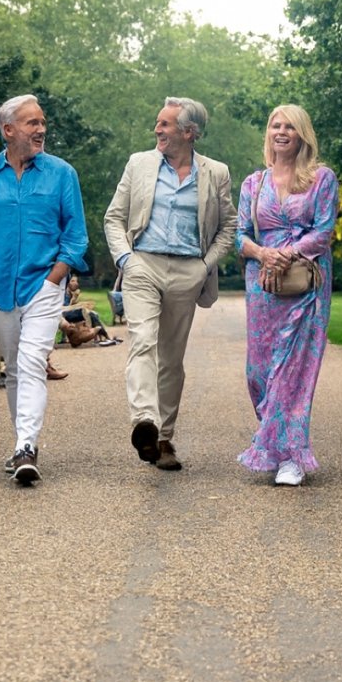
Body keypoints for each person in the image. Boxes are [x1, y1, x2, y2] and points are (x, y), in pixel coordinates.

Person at [104, 97, 237, 470]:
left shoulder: (216, 172)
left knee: (172, 359)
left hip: (187, 270)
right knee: (142, 341)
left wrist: (204, 266)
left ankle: (163, 439)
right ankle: (145, 422)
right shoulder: (139, 163)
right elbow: (114, 218)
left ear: (189, 132)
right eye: (158, 123)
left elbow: (229, 224)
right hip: (142, 265)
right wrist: (126, 260)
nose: (157, 130)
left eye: (165, 124)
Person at [0, 94, 89, 486]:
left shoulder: (62, 174)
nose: (41, 129)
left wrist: (56, 277)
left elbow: (76, 235)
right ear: (8, 130)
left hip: (43, 285)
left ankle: (26, 448)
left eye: (42, 122)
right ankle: (22, 441)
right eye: (32, 123)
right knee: (16, 367)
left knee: (33, 360)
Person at [236, 104, 339, 486]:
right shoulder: (254, 183)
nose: (281, 132)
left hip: (306, 284)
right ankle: (275, 443)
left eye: (290, 127)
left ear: (302, 135)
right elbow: (239, 236)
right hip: (262, 284)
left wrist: (288, 253)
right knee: (258, 373)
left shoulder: (321, 178)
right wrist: (263, 253)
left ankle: (292, 455)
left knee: (295, 371)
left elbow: (324, 231)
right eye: (275, 126)